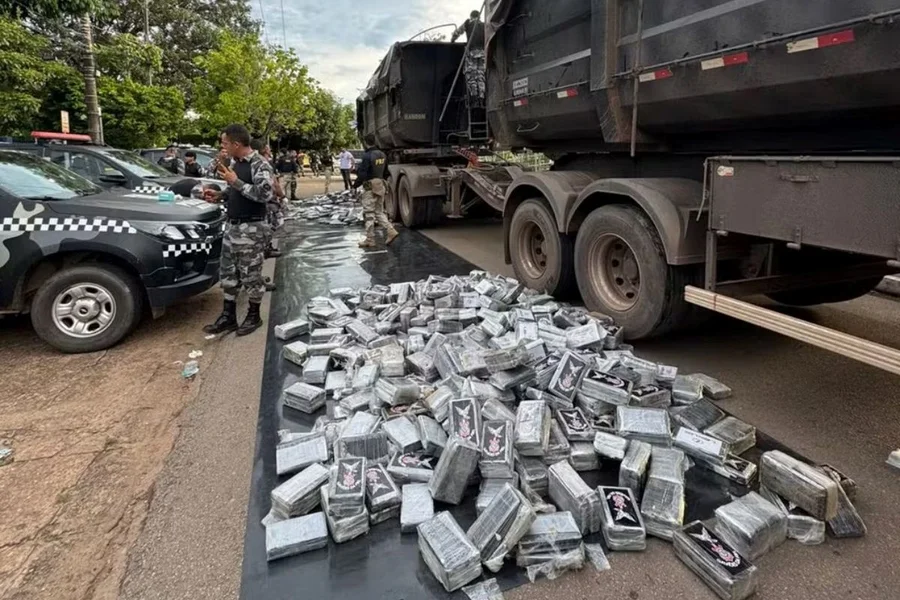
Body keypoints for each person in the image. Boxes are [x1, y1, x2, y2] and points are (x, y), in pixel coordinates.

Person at [202, 124, 274, 337]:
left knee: (251, 275)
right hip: (233, 227)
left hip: (251, 228)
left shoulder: (260, 164)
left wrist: (236, 182)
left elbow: (265, 195)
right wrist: (221, 194)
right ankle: (228, 316)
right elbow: (237, 189)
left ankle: (254, 315)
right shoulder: (236, 162)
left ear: (236, 144)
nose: (222, 147)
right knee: (229, 274)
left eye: (225, 143)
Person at [354, 136, 399, 248]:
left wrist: (355, 185)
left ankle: (370, 240)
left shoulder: (367, 156)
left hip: (369, 185)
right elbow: (386, 171)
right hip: (380, 184)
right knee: (379, 211)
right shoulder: (382, 154)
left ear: (365, 143)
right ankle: (391, 230)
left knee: (368, 213)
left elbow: (363, 174)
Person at [452, 10, 486, 104]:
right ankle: (481, 96)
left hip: (472, 52)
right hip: (483, 53)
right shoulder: (484, 25)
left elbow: (458, 32)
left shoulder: (468, 23)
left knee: (471, 74)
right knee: (480, 75)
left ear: (471, 16)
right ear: (479, 17)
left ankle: (474, 96)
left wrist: (452, 40)